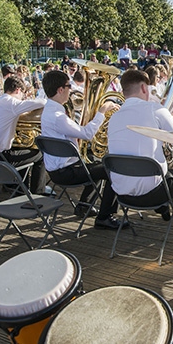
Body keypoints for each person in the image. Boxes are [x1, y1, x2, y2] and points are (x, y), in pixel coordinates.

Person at [107, 69, 173, 222]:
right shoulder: (155, 109)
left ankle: (163, 208)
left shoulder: (113, 117)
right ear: (145, 88)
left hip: (121, 193)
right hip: (153, 193)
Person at [40, 70, 123, 228]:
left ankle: (84, 206)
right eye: (68, 86)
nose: (71, 89)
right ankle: (105, 217)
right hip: (66, 172)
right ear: (60, 90)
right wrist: (102, 111)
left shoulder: (49, 111)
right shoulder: (58, 116)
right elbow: (87, 134)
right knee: (112, 170)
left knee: (97, 162)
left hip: (58, 169)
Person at [0, 75, 47, 194]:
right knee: (40, 155)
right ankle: (38, 192)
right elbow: (42, 102)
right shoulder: (12, 103)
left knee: (21, 148)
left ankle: (17, 189)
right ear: (18, 90)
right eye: (23, 93)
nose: (22, 97)